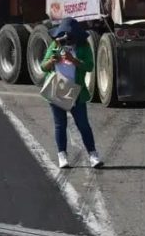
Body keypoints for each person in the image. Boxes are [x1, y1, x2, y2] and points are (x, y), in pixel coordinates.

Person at [40, 17, 103, 169]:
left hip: (76, 91)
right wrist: (52, 61)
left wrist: (73, 60)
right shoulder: (56, 44)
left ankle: (93, 155)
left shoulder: (83, 46)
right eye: (64, 37)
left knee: (83, 125)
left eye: (70, 37)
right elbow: (43, 66)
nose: (67, 41)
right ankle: (62, 155)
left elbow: (89, 66)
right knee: (60, 125)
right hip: (57, 88)